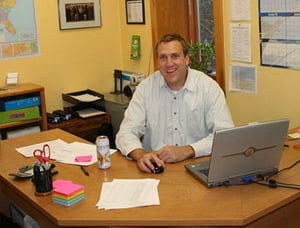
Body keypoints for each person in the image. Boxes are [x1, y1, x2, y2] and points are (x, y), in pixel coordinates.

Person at [116, 33, 234, 173]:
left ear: (187, 59)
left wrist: (188, 150)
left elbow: (225, 136)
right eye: (163, 57)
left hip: (198, 168)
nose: (169, 63)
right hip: (157, 170)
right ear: (157, 62)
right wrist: (141, 155)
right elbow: (125, 132)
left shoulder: (208, 88)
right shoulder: (145, 88)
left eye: (175, 56)